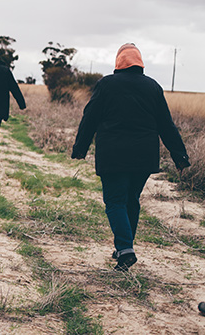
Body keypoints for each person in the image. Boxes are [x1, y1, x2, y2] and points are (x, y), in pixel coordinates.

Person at [72, 43, 190, 271]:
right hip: (143, 158)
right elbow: (167, 124)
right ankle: (122, 249)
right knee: (130, 200)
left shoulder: (106, 84)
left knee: (115, 201)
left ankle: (125, 249)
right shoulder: (152, 87)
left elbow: (90, 117)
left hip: (113, 155)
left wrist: (80, 147)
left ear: (119, 62)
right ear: (140, 62)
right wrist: (179, 155)